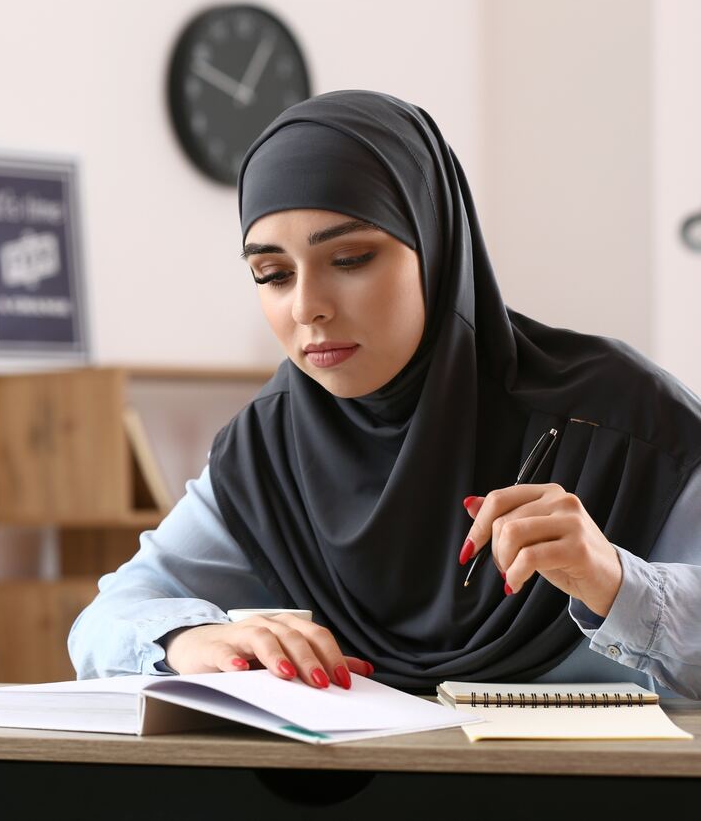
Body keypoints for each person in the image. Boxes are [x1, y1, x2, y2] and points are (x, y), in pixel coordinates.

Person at [68, 90, 701, 698]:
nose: (308, 307)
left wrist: (617, 583)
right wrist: (192, 639)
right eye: (273, 274)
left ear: (436, 246)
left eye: (350, 259)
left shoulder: (623, 418)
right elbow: (107, 620)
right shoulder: (270, 448)